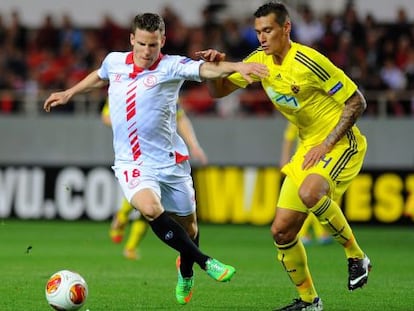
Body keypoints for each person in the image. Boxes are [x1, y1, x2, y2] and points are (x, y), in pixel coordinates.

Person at [43, 12, 268, 305]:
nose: (147, 52)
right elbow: (99, 76)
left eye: (153, 45)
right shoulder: (114, 61)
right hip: (133, 163)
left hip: (171, 163)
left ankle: (186, 270)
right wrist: (70, 92)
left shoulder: (172, 66)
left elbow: (207, 71)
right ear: (132, 40)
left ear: (162, 41)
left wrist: (237, 66)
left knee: (190, 229)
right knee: (150, 209)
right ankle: (205, 262)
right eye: (142, 45)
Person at [198, 2, 371, 310]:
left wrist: (328, 143)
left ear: (285, 28)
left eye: (268, 31)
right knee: (281, 231)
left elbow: (356, 101)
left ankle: (357, 256)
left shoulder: (308, 61)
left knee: (309, 192)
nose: (262, 38)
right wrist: (216, 69)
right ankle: (309, 302)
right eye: (258, 32)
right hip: (308, 148)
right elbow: (218, 92)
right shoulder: (258, 61)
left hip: (341, 143)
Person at [101, 100, 209, 260]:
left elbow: (180, 118)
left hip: (164, 159)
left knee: (154, 210)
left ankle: (130, 246)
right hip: (136, 157)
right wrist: (134, 123)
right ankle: (122, 217)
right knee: (145, 202)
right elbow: (106, 116)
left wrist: (194, 146)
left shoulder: (165, 87)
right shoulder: (125, 85)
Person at [280, 122, 332, 246]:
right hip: (303, 160)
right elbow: (289, 136)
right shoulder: (301, 111)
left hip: (323, 160)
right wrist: (285, 158)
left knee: (317, 197)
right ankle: (304, 233)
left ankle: (318, 233)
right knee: (309, 197)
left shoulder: (325, 114)